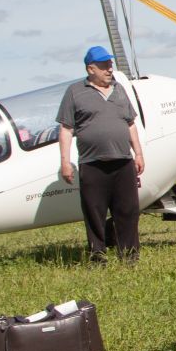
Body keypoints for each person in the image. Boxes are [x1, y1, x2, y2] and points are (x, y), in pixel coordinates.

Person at [57, 45, 146, 265]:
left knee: (128, 211)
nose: (109, 69)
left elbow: (131, 124)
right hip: (92, 164)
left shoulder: (119, 90)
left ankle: (130, 257)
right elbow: (66, 129)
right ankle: (98, 256)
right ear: (90, 69)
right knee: (94, 212)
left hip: (123, 161)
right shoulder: (75, 92)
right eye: (104, 65)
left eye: (110, 64)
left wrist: (139, 154)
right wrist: (65, 162)